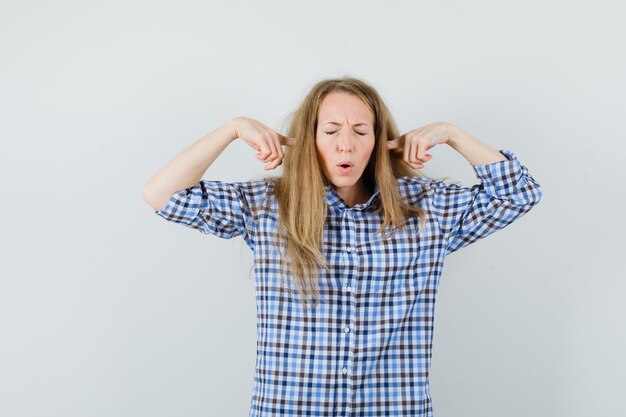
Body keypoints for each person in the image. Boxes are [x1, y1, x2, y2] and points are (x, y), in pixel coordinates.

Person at [141, 76, 543, 417]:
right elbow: (161, 194)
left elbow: (520, 194)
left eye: (360, 132)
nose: (345, 145)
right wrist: (231, 129)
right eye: (331, 131)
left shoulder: (427, 208)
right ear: (308, 140)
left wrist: (451, 134)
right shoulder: (267, 206)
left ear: (381, 142)